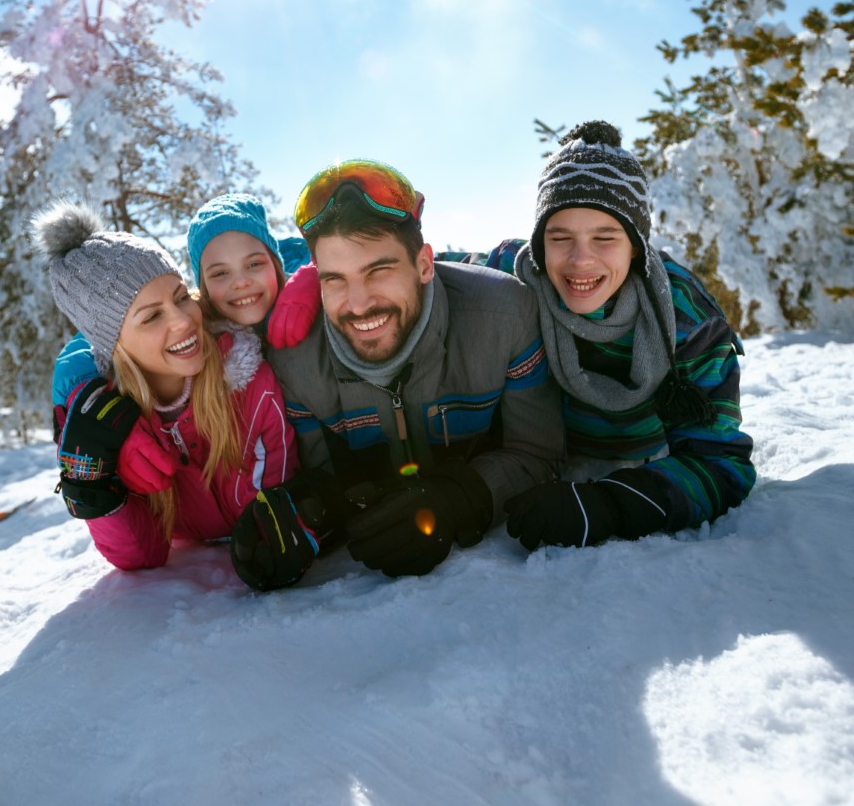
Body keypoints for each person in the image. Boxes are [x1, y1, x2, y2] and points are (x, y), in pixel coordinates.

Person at [230, 160, 564, 590]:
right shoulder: (296, 363)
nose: (358, 304)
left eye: (379, 271)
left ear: (424, 264)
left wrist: (461, 498)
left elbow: (539, 452)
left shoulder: (504, 317)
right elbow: (326, 474)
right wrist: (311, 509)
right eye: (335, 280)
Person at [501, 120, 756, 548]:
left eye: (605, 237)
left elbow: (721, 463)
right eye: (559, 237)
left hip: (641, 455)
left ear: (635, 245)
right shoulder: (516, 275)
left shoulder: (687, 319)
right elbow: (430, 276)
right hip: (542, 455)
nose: (580, 260)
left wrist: (610, 504)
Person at [32, 201, 299, 570]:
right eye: (152, 316)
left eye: (180, 298)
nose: (183, 321)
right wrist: (95, 489)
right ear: (115, 344)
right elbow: (142, 555)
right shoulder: (115, 426)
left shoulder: (248, 382)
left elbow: (277, 510)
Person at [49, 194, 306, 440]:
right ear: (202, 287)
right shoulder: (200, 322)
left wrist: (310, 285)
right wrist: (81, 395)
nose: (240, 282)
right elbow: (95, 339)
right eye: (219, 273)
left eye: (254, 264)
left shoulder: (314, 291)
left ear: (275, 262)